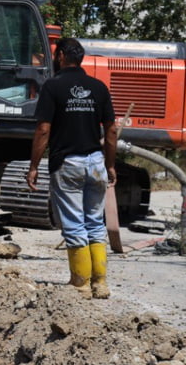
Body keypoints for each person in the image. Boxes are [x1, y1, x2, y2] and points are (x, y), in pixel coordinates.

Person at [26, 37, 118, 299]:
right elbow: (110, 131)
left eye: (56, 55)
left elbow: (44, 129)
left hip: (68, 164)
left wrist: (34, 166)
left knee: (75, 225)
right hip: (96, 163)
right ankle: (100, 283)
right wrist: (110, 165)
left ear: (62, 56)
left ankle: (80, 284)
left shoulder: (53, 87)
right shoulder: (99, 87)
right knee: (95, 224)